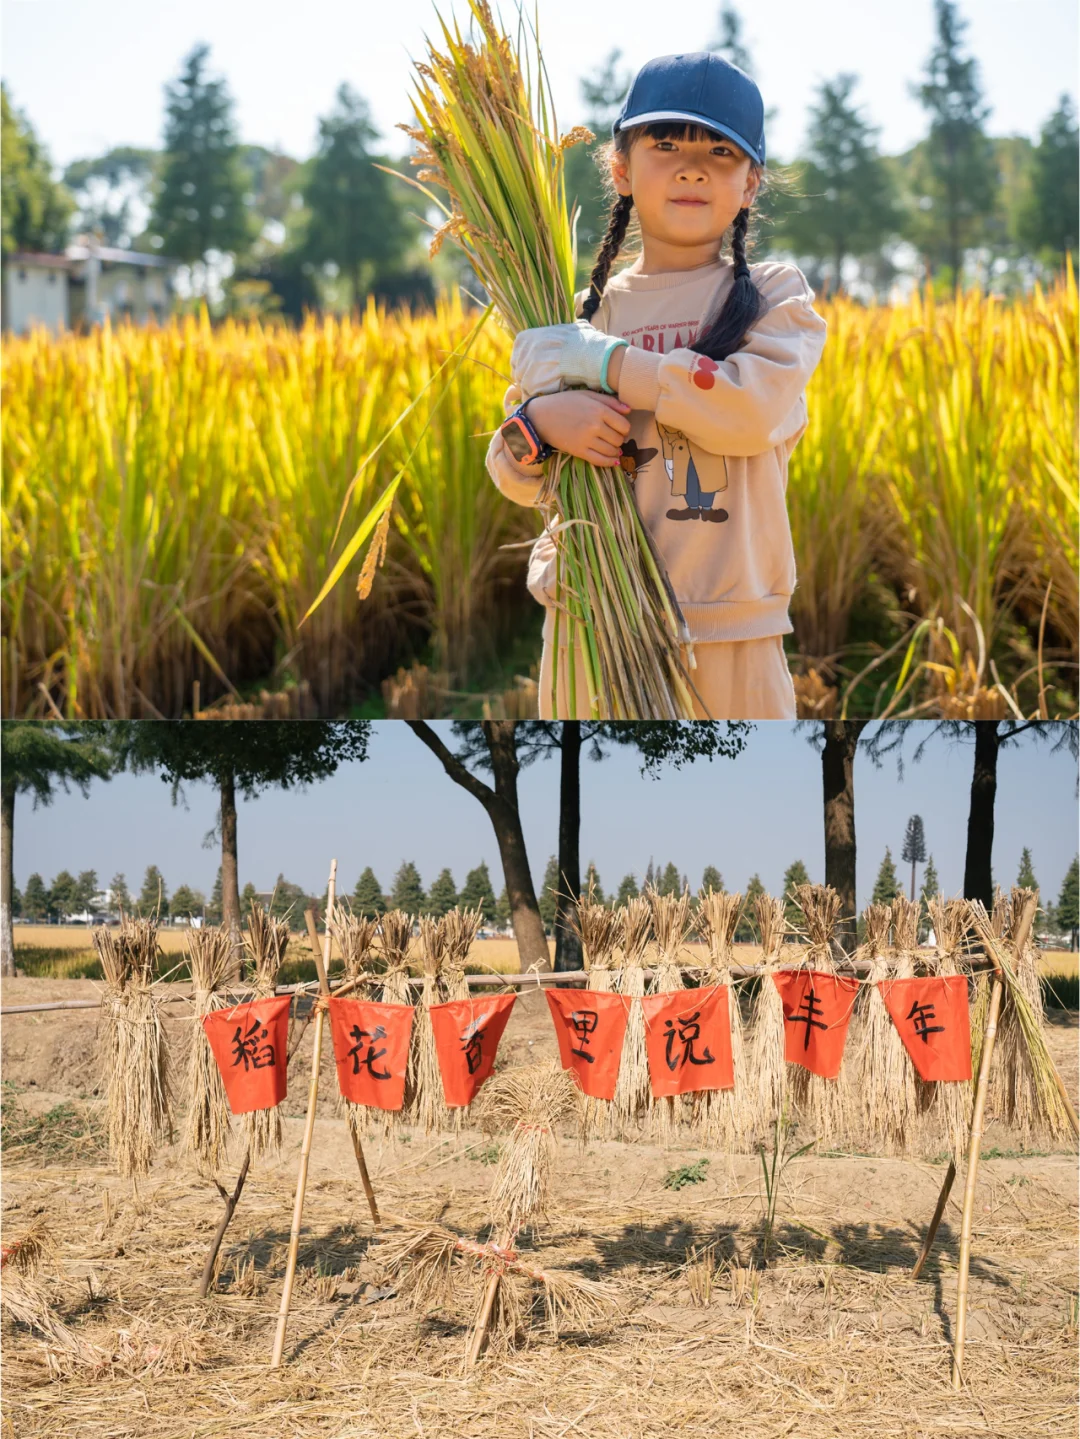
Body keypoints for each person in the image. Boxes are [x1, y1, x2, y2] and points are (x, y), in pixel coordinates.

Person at [484, 51, 829, 720]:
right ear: (621, 169)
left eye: (720, 151)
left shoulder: (774, 300)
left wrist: (609, 365)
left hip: (729, 628)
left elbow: (748, 409)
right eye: (665, 144)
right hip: (592, 626)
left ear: (752, 183)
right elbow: (512, 467)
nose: (692, 167)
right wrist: (544, 426)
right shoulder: (579, 314)